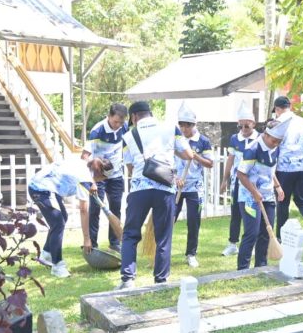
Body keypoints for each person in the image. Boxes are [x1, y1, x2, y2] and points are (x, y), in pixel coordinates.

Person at [117, 101, 193, 289]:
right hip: (165, 189)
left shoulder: (128, 135)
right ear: (150, 113)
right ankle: (161, 280)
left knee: (130, 234)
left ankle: (128, 279)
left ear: (134, 117)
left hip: (139, 190)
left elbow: (130, 167)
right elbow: (189, 154)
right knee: (163, 236)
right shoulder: (170, 128)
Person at [28, 157, 113, 278]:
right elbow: (83, 210)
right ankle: (57, 266)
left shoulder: (86, 166)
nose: (103, 181)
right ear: (100, 173)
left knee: (63, 217)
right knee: (58, 223)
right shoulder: (84, 179)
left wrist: (92, 183)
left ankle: (47, 254)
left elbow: (88, 177)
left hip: (44, 187)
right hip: (40, 189)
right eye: (104, 178)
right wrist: (87, 239)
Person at [236, 116, 291, 270]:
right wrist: (254, 192)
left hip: (267, 196)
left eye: (279, 142)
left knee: (266, 233)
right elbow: (241, 174)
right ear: (266, 134)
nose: (276, 144)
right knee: (252, 233)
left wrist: (278, 186)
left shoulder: (275, 148)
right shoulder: (252, 149)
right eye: (274, 140)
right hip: (249, 197)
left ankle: (261, 266)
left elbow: (269, 171)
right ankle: (243, 268)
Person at [272, 96, 303, 242]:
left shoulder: (278, 122)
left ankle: (280, 237)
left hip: (284, 169)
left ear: (278, 109)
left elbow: (273, 146)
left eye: (276, 111)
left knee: (282, 202)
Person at [81, 103, 128, 252]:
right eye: (115, 122)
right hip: (98, 177)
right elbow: (84, 157)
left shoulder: (124, 127)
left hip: (116, 175)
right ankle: (92, 244)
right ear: (108, 117)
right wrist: (92, 179)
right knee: (95, 209)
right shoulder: (97, 131)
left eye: (121, 122)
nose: (118, 125)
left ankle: (115, 243)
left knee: (115, 208)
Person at [174, 102, 213, 268]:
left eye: (187, 126)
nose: (184, 129)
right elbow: (168, 160)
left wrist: (195, 156)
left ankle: (191, 253)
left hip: (195, 188)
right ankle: (161, 251)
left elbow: (210, 163)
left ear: (193, 125)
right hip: (176, 185)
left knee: (193, 221)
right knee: (169, 219)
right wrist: (175, 177)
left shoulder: (203, 141)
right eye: (181, 126)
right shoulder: (175, 139)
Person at [219, 100, 259, 256]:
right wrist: (225, 179)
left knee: (253, 213)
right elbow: (230, 158)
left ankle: (253, 242)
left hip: (254, 183)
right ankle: (232, 243)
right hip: (238, 183)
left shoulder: (260, 139)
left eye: (246, 126)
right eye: (240, 126)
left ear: (253, 124)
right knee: (235, 212)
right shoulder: (235, 139)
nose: (243, 129)